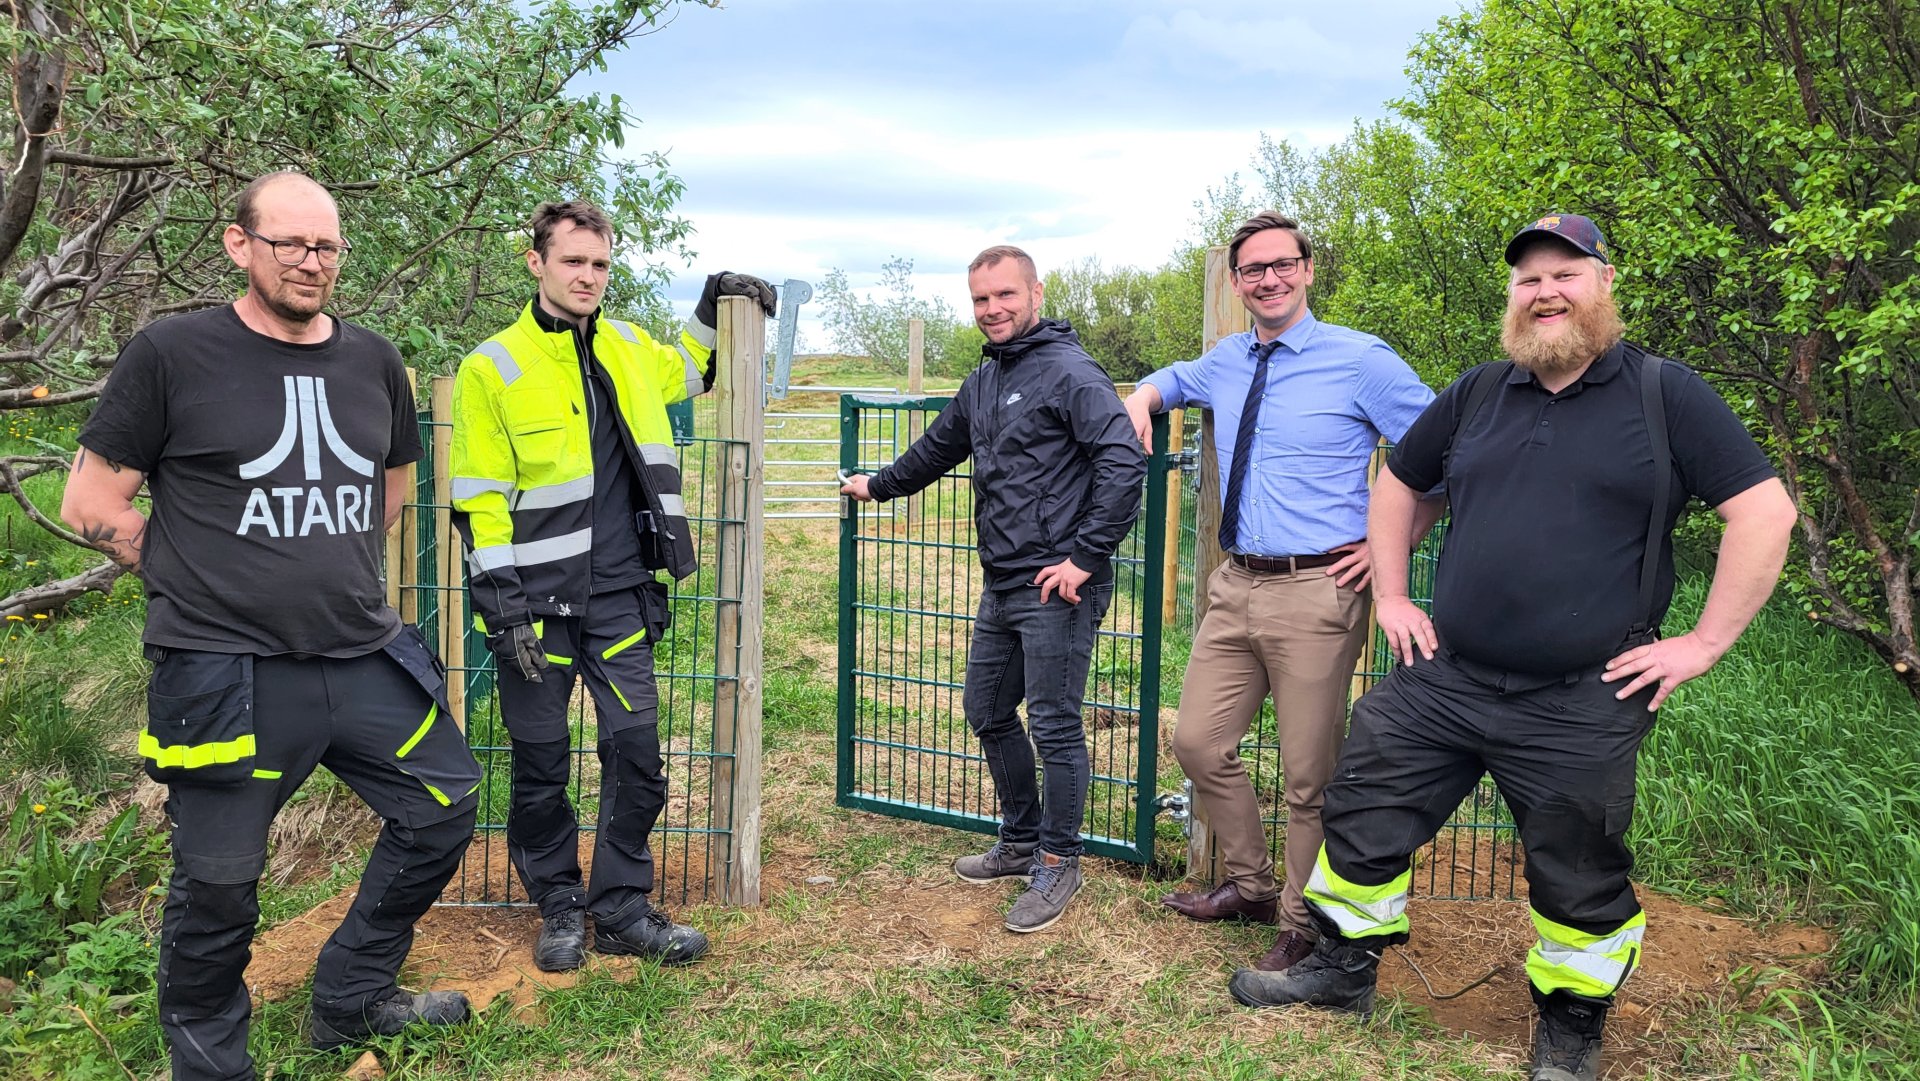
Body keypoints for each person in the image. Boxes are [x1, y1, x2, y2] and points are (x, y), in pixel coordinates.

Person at [1226, 214, 1797, 1081]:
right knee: (1362, 813)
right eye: (1529, 279)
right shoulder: (1480, 392)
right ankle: (1342, 971)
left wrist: (1704, 643)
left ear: (1605, 284)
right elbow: (1399, 486)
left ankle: (1569, 1026)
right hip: (1444, 675)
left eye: (1565, 274)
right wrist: (1391, 593)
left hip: (1582, 692)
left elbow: (1763, 513)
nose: (1546, 292)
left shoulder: (1665, 395)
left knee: (1577, 870)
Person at [63, 171, 483, 1079]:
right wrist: (189, 572)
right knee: (218, 884)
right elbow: (90, 499)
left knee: (444, 802)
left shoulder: (373, 360)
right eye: (289, 242)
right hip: (224, 671)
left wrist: (318, 568)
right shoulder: (172, 354)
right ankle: (212, 1063)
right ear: (239, 244)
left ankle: (352, 993)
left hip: (359, 651)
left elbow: (391, 488)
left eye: (326, 245)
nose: (310, 260)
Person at [449, 200, 773, 972]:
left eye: (599, 264)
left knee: (637, 751)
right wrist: (503, 609)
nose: (588, 276)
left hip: (620, 594)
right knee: (540, 761)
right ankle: (559, 903)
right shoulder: (490, 366)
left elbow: (694, 368)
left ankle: (622, 905)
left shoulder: (628, 347)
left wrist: (711, 301)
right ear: (537, 263)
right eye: (573, 262)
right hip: (534, 606)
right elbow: (479, 499)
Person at [1121, 211, 1438, 973]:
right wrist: (1140, 398)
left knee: (1308, 776)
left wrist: (1388, 545)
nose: (1268, 278)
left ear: (1307, 268)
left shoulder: (1362, 360)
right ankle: (1250, 885)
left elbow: (1443, 451)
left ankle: (1301, 919)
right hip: (1235, 584)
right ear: (1237, 281)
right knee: (1197, 741)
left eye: (1281, 264)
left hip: (1319, 591)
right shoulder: (1227, 358)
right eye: (1252, 269)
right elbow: (1171, 382)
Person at [840, 245, 1146, 933]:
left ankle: (1058, 860)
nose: (992, 309)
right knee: (986, 706)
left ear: (1037, 291)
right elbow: (938, 447)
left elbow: (1124, 458)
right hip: (1004, 580)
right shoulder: (986, 379)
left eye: (1005, 295)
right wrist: (876, 485)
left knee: (1057, 722)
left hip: (1057, 586)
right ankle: (1019, 837)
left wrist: (1084, 559)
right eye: (981, 300)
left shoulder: (1069, 372)